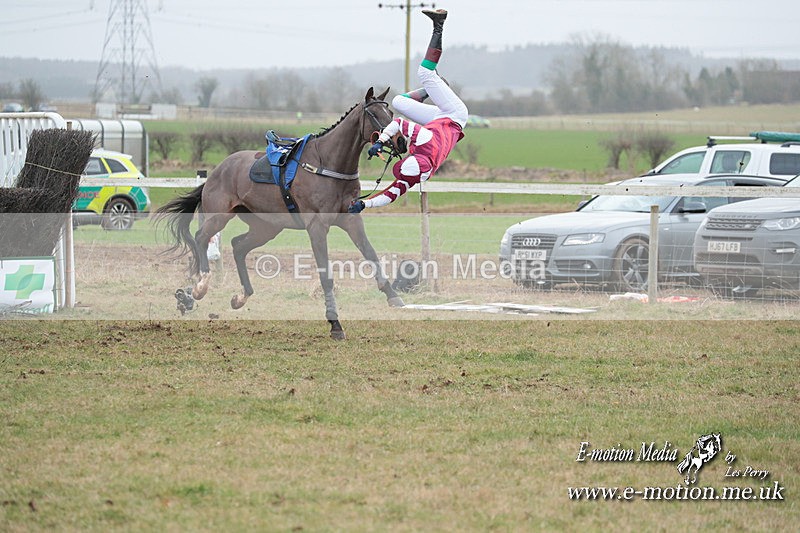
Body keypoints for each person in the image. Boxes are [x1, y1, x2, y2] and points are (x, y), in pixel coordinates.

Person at [348, 8, 468, 214]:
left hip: (438, 123)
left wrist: (364, 204)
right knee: (425, 72)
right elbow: (399, 124)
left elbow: (390, 194)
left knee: (398, 101)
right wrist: (380, 142)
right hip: (454, 114)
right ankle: (439, 24)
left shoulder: (419, 173)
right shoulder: (424, 143)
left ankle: (434, 87)